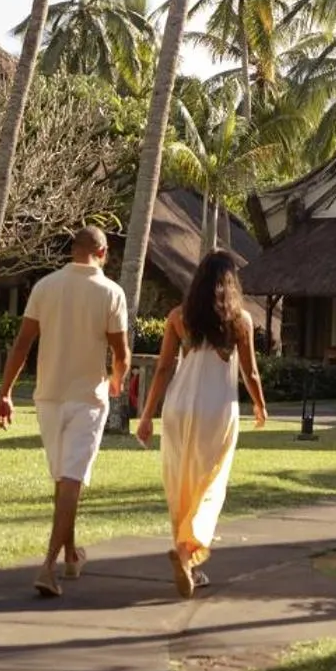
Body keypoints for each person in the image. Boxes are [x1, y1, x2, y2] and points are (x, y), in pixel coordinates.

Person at [0, 226, 130, 598]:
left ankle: (71, 555)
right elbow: (121, 352)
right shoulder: (111, 292)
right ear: (103, 253)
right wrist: (117, 380)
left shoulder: (45, 287)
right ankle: (49, 566)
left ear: (74, 250)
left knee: (63, 479)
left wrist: (4, 392)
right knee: (71, 480)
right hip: (87, 397)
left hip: (47, 396)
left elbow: (22, 345)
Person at [135, 251, 267, 598]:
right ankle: (187, 552)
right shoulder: (241, 321)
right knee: (210, 483)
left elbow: (163, 369)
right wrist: (260, 405)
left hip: (179, 407)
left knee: (180, 479)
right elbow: (249, 371)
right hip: (218, 408)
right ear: (230, 283)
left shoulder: (179, 317)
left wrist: (147, 415)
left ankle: (186, 554)